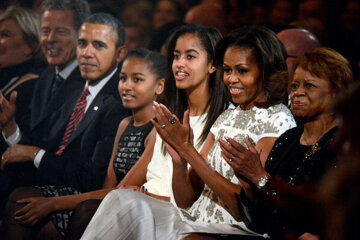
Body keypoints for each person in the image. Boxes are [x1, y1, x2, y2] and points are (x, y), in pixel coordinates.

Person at [81, 25, 296, 239]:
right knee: (119, 199)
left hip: (231, 230)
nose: (231, 79)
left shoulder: (279, 120)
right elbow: (185, 200)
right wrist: (179, 161)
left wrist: (187, 150)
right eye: (228, 70)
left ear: (266, 71)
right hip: (191, 220)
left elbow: (244, 207)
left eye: (242, 71)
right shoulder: (227, 118)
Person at [1, 48, 165, 239]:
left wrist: (52, 203)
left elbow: (120, 192)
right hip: (107, 199)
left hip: (139, 211)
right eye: (122, 78)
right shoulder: (124, 124)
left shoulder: (158, 130)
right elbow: (107, 185)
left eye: (137, 79)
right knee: (21, 198)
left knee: (85, 212)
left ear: (159, 86)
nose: (126, 86)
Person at [1, 12, 129, 239]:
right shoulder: (73, 89)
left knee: (20, 199)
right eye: (82, 44)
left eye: (98, 45)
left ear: (120, 53)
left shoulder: (119, 101)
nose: (87, 53)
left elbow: (92, 179)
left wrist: (35, 154)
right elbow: (45, 145)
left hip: (87, 196)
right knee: (17, 192)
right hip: (55, 181)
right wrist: (10, 127)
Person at [222, 47, 353, 239]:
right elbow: (258, 220)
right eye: (294, 86)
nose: (298, 93)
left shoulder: (342, 146)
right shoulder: (288, 139)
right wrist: (250, 187)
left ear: (335, 93)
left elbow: (315, 218)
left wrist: (260, 177)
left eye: (309, 86)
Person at [0, 0, 90, 217]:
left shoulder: (89, 83)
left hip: (72, 191)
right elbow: (34, 144)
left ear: (82, 34)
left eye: (60, 31)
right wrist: (11, 128)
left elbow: (71, 164)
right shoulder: (46, 77)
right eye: (45, 31)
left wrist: (32, 153)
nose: (50, 39)